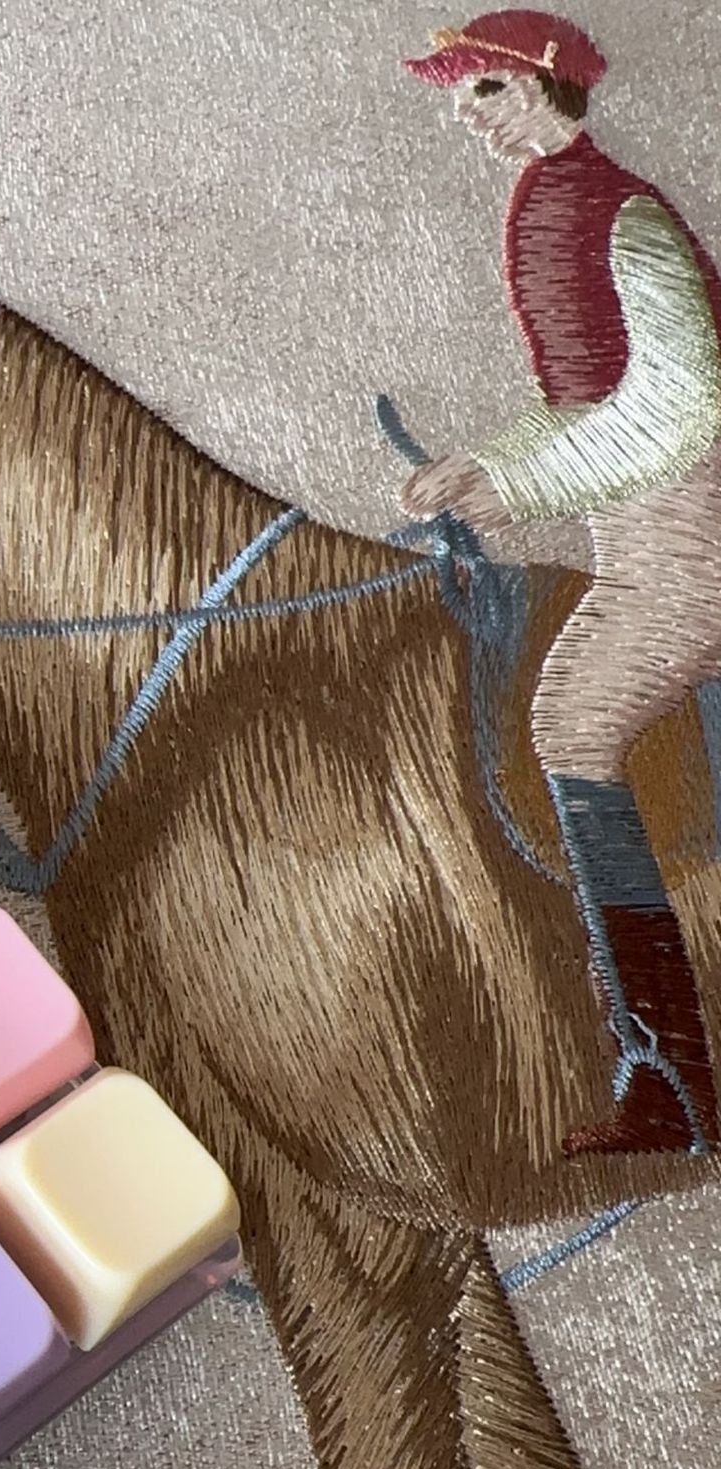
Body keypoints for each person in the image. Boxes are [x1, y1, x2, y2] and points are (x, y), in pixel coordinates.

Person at [404, 10, 721, 1154]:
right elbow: (584, 411)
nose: (469, 116)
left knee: (574, 716)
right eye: (461, 97)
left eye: (486, 90)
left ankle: (672, 1072)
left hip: (698, 526)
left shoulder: (620, 213)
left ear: (547, 85)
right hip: (645, 527)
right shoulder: (548, 205)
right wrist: (484, 467)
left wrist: (519, 483)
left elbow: (680, 408)